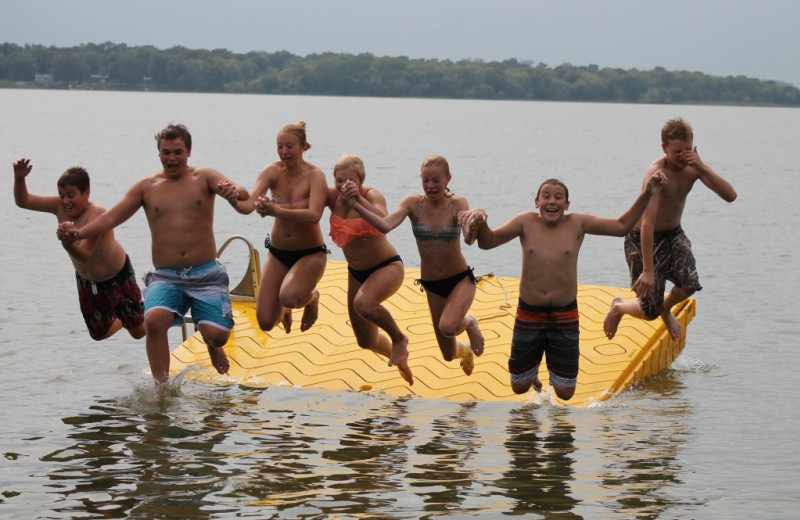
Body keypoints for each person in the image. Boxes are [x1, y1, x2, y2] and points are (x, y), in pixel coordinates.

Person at [58, 123, 249, 388]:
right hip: (167, 276)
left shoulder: (204, 177)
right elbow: (112, 217)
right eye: (166, 152)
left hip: (205, 273)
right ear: (159, 153)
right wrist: (77, 235)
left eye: (178, 152)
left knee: (217, 335)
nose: (172, 158)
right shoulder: (147, 187)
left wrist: (234, 192)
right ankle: (162, 390)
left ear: (189, 151)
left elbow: (240, 193)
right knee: (154, 322)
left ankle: (211, 344)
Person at [460, 171, 666, 400]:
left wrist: (647, 193)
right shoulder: (525, 222)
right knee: (519, 387)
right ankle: (533, 373)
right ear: (536, 202)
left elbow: (621, 226)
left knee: (565, 393)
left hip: (565, 314)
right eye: (546, 196)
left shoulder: (577, 223)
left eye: (558, 197)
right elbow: (487, 242)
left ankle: (544, 366)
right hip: (530, 312)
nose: (552, 201)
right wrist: (481, 221)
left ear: (567, 204)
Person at [344, 156, 484, 376]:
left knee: (448, 327)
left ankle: (469, 323)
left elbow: (469, 239)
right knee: (448, 354)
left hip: (460, 280)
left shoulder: (458, 204)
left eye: (436, 180)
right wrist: (355, 203)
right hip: (432, 285)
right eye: (426, 180)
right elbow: (385, 225)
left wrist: (475, 220)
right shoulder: (413, 203)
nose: (430, 186)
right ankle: (465, 352)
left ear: (448, 178)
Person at [603, 117, 737, 342]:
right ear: (664, 149)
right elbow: (647, 223)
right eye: (677, 151)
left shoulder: (694, 168)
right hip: (642, 238)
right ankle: (619, 308)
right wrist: (648, 270)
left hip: (673, 234)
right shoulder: (657, 173)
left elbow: (730, 196)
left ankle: (666, 309)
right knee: (649, 312)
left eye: (688, 150)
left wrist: (702, 167)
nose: (683, 156)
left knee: (690, 284)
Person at [13, 158, 146, 341]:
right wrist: (19, 178)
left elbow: (85, 255)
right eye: (61, 195)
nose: (66, 201)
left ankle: (147, 299)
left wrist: (66, 243)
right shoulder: (58, 206)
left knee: (139, 333)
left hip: (117, 278)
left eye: (70, 195)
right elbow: (24, 201)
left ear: (86, 193)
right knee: (98, 334)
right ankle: (134, 312)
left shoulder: (97, 214)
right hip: (87, 282)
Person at [230, 121, 328, 335]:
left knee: (290, 297)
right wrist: (232, 200)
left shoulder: (315, 175)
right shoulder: (272, 171)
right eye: (280, 146)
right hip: (278, 253)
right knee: (265, 322)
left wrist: (277, 211)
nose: (284, 152)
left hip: (310, 253)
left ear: (303, 147)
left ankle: (312, 297)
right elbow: (248, 206)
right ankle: (285, 309)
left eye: (289, 146)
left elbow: (314, 215)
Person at [327, 155, 413, 385]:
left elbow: (385, 220)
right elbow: (308, 194)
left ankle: (399, 339)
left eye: (350, 181)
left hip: (387, 266)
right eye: (339, 180)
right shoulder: (333, 197)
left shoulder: (371, 196)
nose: (344, 186)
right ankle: (400, 359)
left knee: (363, 304)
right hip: (356, 272)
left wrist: (357, 201)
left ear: (361, 180)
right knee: (365, 341)